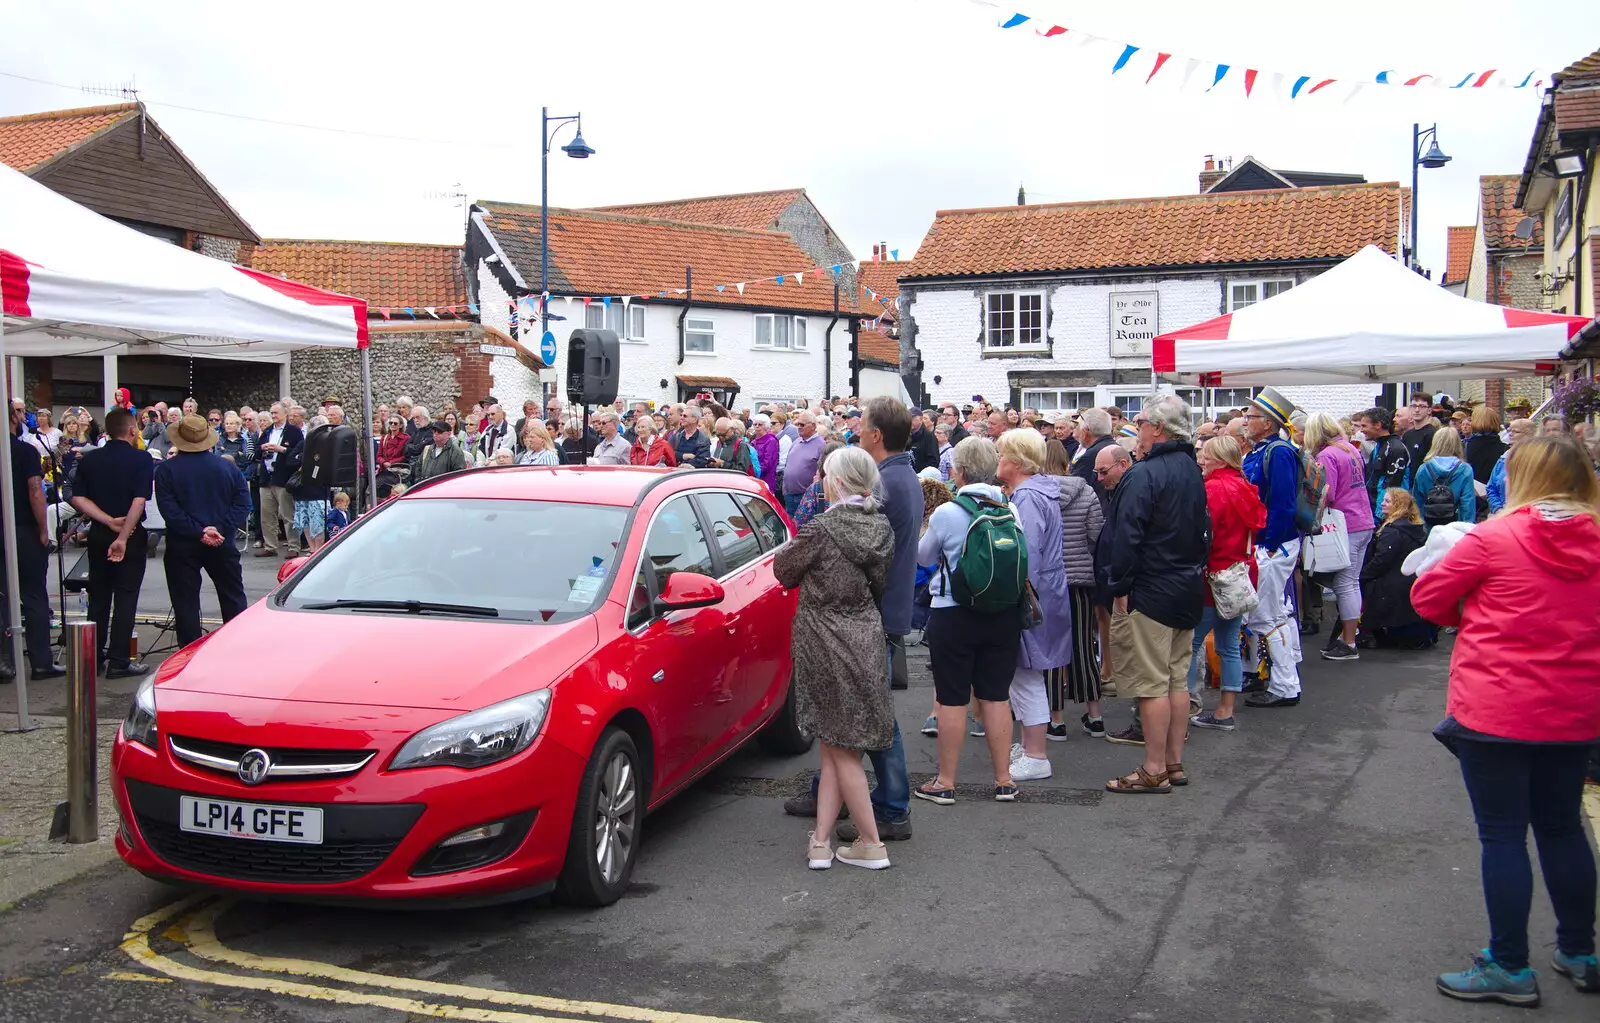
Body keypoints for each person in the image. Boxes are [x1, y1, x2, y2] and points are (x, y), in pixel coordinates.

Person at [1411, 436, 1600, 1004]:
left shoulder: (1491, 539)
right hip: (1575, 705)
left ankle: (1510, 965)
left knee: (1502, 835)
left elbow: (1428, 599)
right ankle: (1579, 950)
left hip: (1496, 704)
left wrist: (1472, 610)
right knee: (1563, 826)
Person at [773, 446, 896, 871]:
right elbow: (879, 584)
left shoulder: (822, 528)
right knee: (834, 747)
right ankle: (822, 842)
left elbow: (782, 570)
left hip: (824, 638)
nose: (822, 479)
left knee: (841, 749)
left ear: (837, 481)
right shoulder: (879, 525)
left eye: (826, 474)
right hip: (863, 634)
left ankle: (871, 843)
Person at [1101, 396, 1208, 792]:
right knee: (1176, 680)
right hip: (1185, 583)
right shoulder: (1191, 468)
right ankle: (1172, 763)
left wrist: (1121, 587)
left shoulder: (1145, 474)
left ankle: (1154, 768)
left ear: (1158, 428)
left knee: (1152, 684)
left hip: (1152, 588)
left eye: (1141, 421)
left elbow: (1126, 537)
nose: (1136, 427)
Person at [914, 437, 1023, 800]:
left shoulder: (947, 512)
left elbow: (924, 557)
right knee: (996, 696)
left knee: (952, 698)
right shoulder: (1008, 506)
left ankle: (945, 782)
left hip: (954, 612)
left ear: (957, 471)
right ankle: (1004, 780)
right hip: (1003, 611)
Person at [993, 429, 1073, 782]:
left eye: (1001, 454)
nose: (998, 460)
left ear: (1016, 460)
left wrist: (1016, 596)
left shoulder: (1026, 496)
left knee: (1026, 674)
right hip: (1048, 590)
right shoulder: (1039, 491)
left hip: (1034, 593)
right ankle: (1030, 747)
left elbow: (1028, 553)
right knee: (1027, 673)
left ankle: (1036, 753)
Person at [69, 408, 155, 678]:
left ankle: (93, 657)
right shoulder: (141, 459)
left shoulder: (90, 460)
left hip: (98, 533)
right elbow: (139, 500)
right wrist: (122, 535)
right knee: (126, 595)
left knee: (99, 596)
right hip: (130, 535)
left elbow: (77, 498)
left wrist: (107, 521)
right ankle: (119, 660)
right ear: (131, 430)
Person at [153, 415, 252, 648]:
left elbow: (170, 510)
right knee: (232, 597)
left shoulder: (166, 470)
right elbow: (242, 504)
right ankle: (237, 646)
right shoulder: (227, 467)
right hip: (222, 541)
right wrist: (219, 529)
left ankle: (190, 650)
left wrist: (200, 531)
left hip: (183, 543)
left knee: (185, 601)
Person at [1239, 387, 1304, 709]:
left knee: (1268, 615)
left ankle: (1285, 684)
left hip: (1273, 545)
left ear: (1267, 422)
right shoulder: (1264, 450)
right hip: (1268, 543)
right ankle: (1268, 674)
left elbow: (1281, 504)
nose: (1245, 420)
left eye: (1250, 416)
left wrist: (1268, 545)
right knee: (1267, 613)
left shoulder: (1277, 452)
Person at [1040, 440, 1104, 738]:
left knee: (1053, 649)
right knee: (1083, 648)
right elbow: (1096, 533)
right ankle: (1095, 715)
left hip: (1049, 582)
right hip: (1080, 580)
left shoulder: (1036, 493)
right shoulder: (1086, 490)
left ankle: (1056, 719)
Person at [1305, 413, 1376, 661]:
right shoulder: (1349, 448)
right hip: (1363, 519)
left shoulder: (1327, 455)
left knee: (1345, 584)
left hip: (1347, 524)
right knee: (1353, 583)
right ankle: (1350, 637)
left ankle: (1348, 642)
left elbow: (1329, 493)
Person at [1358, 489, 1430, 649]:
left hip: (1392, 585)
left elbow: (1381, 561)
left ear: (1398, 505)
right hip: (1410, 582)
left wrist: (1360, 576)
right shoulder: (1416, 528)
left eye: (1388, 501)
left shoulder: (1391, 531)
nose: (1382, 503)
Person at [253, 402, 302, 558]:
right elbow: (255, 452)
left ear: (285, 413)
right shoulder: (267, 431)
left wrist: (281, 449)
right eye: (271, 413)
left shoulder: (293, 432)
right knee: (267, 515)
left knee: (288, 515)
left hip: (283, 478)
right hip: (266, 477)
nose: (273, 416)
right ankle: (270, 545)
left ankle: (294, 545)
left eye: (276, 413)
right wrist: (262, 448)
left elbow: (299, 453)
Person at [1410, 426, 1476, 529]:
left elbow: (1417, 503)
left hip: (1429, 527)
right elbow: (1468, 504)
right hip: (1455, 529)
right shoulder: (1465, 470)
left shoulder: (1423, 469)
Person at [1352, 407, 1411, 514]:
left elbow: (1391, 487)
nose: (1361, 430)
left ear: (1378, 425)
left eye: (1364, 426)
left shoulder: (1395, 449)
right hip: (1374, 508)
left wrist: (1380, 515)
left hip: (1386, 512)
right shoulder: (1379, 447)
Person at [288, 416, 332, 554]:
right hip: (302, 490)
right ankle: (312, 550)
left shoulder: (328, 445)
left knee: (318, 523)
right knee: (305, 523)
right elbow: (290, 460)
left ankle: (318, 551)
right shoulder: (303, 444)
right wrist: (303, 458)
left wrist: (304, 460)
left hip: (319, 491)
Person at [1488, 418, 1536, 513]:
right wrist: (1498, 509)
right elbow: (1491, 487)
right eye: (1509, 431)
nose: (1510, 434)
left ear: (1530, 435)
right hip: (1502, 514)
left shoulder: (1537, 459)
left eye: (1516, 431)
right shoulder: (1503, 459)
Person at [781, 413, 824, 514]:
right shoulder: (797, 441)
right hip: (789, 495)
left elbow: (822, 472)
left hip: (806, 497)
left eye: (802, 425)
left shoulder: (821, 445)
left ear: (813, 426)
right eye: (798, 424)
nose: (799, 427)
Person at [1070, 408, 1117, 502]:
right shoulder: (1117, 447)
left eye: (1079, 427)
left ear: (1086, 431)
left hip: (1098, 511)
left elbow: (1073, 491)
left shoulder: (1089, 457)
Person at [1401, 392, 1439, 474]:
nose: (1417, 410)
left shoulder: (1433, 434)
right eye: (1414, 406)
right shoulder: (1407, 435)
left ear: (1429, 410)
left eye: (1421, 406)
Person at [375, 415, 410, 497]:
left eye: (395, 423)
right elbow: (378, 455)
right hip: (384, 472)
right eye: (391, 423)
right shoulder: (384, 438)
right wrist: (384, 462)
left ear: (401, 425)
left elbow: (405, 456)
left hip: (398, 473)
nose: (393, 425)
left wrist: (391, 463)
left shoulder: (406, 438)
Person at [750, 415, 779, 493]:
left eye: (760, 424)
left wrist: (754, 473)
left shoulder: (771, 441)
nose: (757, 426)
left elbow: (768, 463)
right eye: (755, 424)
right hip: (754, 479)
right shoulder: (753, 441)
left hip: (766, 480)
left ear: (766, 427)